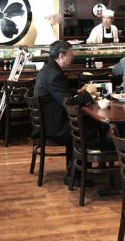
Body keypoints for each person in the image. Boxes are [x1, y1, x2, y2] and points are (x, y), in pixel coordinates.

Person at [34, 41, 96, 178]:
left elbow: (61, 93)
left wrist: (78, 91)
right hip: (55, 126)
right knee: (90, 130)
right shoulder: (54, 74)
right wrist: (88, 94)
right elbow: (68, 103)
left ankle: (75, 171)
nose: (72, 57)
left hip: (48, 121)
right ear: (61, 55)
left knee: (87, 124)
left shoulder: (48, 69)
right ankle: (76, 175)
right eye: (70, 54)